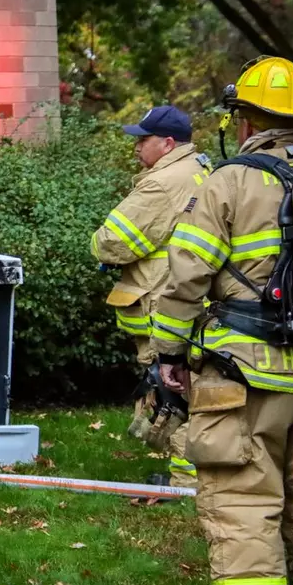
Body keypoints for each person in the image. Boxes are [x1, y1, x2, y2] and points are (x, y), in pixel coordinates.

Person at [153, 56, 293, 585]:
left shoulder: (232, 180)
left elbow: (187, 274)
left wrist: (167, 356)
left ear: (242, 119)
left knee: (244, 500)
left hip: (243, 373)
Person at [92, 105, 210, 490]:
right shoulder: (200, 169)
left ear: (168, 143)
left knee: (176, 391)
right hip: (195, 299)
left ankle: (186, 482)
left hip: (163, 301)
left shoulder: (162, 184)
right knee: (195, 387)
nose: (136, 146)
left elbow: (111, 242)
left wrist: (98, 244)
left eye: (143, 139)